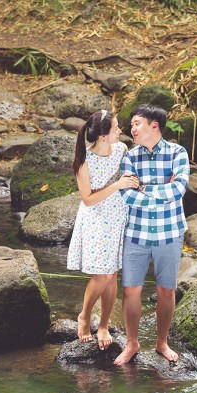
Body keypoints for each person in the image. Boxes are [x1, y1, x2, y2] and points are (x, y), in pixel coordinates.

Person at [114, 104, 190, 365]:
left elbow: (179, 189)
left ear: (153, 126)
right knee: (130, 289)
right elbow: (126, 194)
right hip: (136, 231)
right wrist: (159, 192)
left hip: (170, 232)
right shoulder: (130, 157)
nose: (131, 129)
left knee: (166, 291)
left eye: (136, 123)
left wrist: (144, 188)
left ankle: (162, 342)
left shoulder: (177, 153)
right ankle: (132, 343)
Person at [67, 109, 140, 350]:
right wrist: (118, 184)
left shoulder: (121, 150)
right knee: (102, 275)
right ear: (102, 137)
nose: (120, 131)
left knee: (112, 274)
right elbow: (88, 199)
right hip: (96, 217)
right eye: (116, 128)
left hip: (118, 215)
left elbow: (130, 174)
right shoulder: (83, 161)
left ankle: (104, 325)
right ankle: (85, 315)